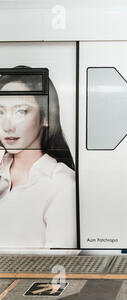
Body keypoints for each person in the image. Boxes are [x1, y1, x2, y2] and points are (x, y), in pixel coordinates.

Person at [0, 67, 76, 249]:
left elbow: (60, 263)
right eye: (0, 112)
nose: (7, 126)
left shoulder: (62, 184)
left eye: (21, 112)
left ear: (46, 117)